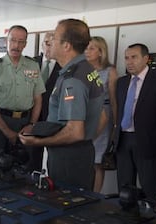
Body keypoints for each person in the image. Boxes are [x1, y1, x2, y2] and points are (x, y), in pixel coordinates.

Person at [19, 19, 104, 191]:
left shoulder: (73, 79)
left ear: (66, 46)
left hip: (68, 159)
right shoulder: (87, 69)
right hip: (81, 152)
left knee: (64, 209)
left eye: (55, 38)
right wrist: (85, 140)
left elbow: (75, 131)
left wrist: (38, 142)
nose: (51, 42)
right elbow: (102, 116)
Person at [0, 25, 45, 171]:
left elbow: (38, 98)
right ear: (6, 41)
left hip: (25, 123)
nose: (16, 45)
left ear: (25, 44)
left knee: (24, 168)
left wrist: (32, 124)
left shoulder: (33, 66)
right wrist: (6, 131)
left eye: (20, 41)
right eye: (13, 40)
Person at [114, 43, 156, 200]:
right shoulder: (122, 82)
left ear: (146, 59)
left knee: (148, 184)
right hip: (123, 138)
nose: (129, 62)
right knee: (124, 185)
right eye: (126, 58)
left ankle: (150, 214)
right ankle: (126, 215)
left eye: (134, 57)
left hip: (147, 140)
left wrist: (155, 132)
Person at [84, 36, 118, 193]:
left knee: (98, 161)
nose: (87, 51)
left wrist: (116, 126)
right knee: (84, 158)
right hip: (84, 116)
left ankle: (95, 195)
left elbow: (113, 100)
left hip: (103, 117)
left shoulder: (109, 71)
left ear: (100, 52)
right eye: (86, 48)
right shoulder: (82, 69)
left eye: (91, 48)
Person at [32, 32, 61, 172]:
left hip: (51, 117)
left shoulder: (63, 66)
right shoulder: (31, 62)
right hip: (31, 115)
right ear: (42, 44)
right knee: (31, 154)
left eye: (52, 43)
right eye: (47, 43)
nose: (49, 47)